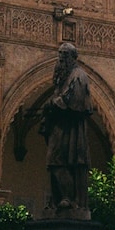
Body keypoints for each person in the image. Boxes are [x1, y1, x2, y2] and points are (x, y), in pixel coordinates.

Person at [41, 42, 93, 214]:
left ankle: (68, 198)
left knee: (59, 161)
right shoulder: (64, 77)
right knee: (55, 162)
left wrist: (52, 104)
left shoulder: (78, 75)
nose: (61, 59)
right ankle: (61, 198)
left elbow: (74, 101)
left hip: (70, 130)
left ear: (72, 58)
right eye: (59, 54)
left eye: (64, 55)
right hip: (60, 127)